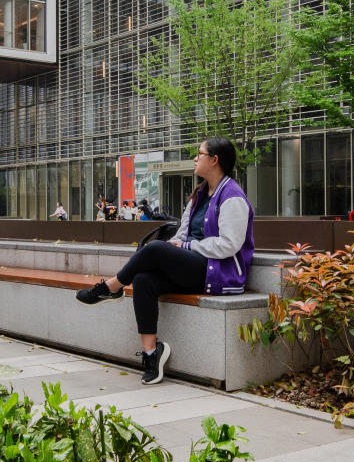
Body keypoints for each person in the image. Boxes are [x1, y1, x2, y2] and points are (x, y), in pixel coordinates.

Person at [75, 137, 254, 386]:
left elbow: (230, 244)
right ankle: (151, 354)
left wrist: (187, 246)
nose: (195, 158)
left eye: (199, 154)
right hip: (193, 265)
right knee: (143, 279)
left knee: (156, 248)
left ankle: (112, 287)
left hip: (217, 272)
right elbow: (182, 234)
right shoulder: (199, 196)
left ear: (214, 160)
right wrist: (176, 248)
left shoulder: (232, 196)